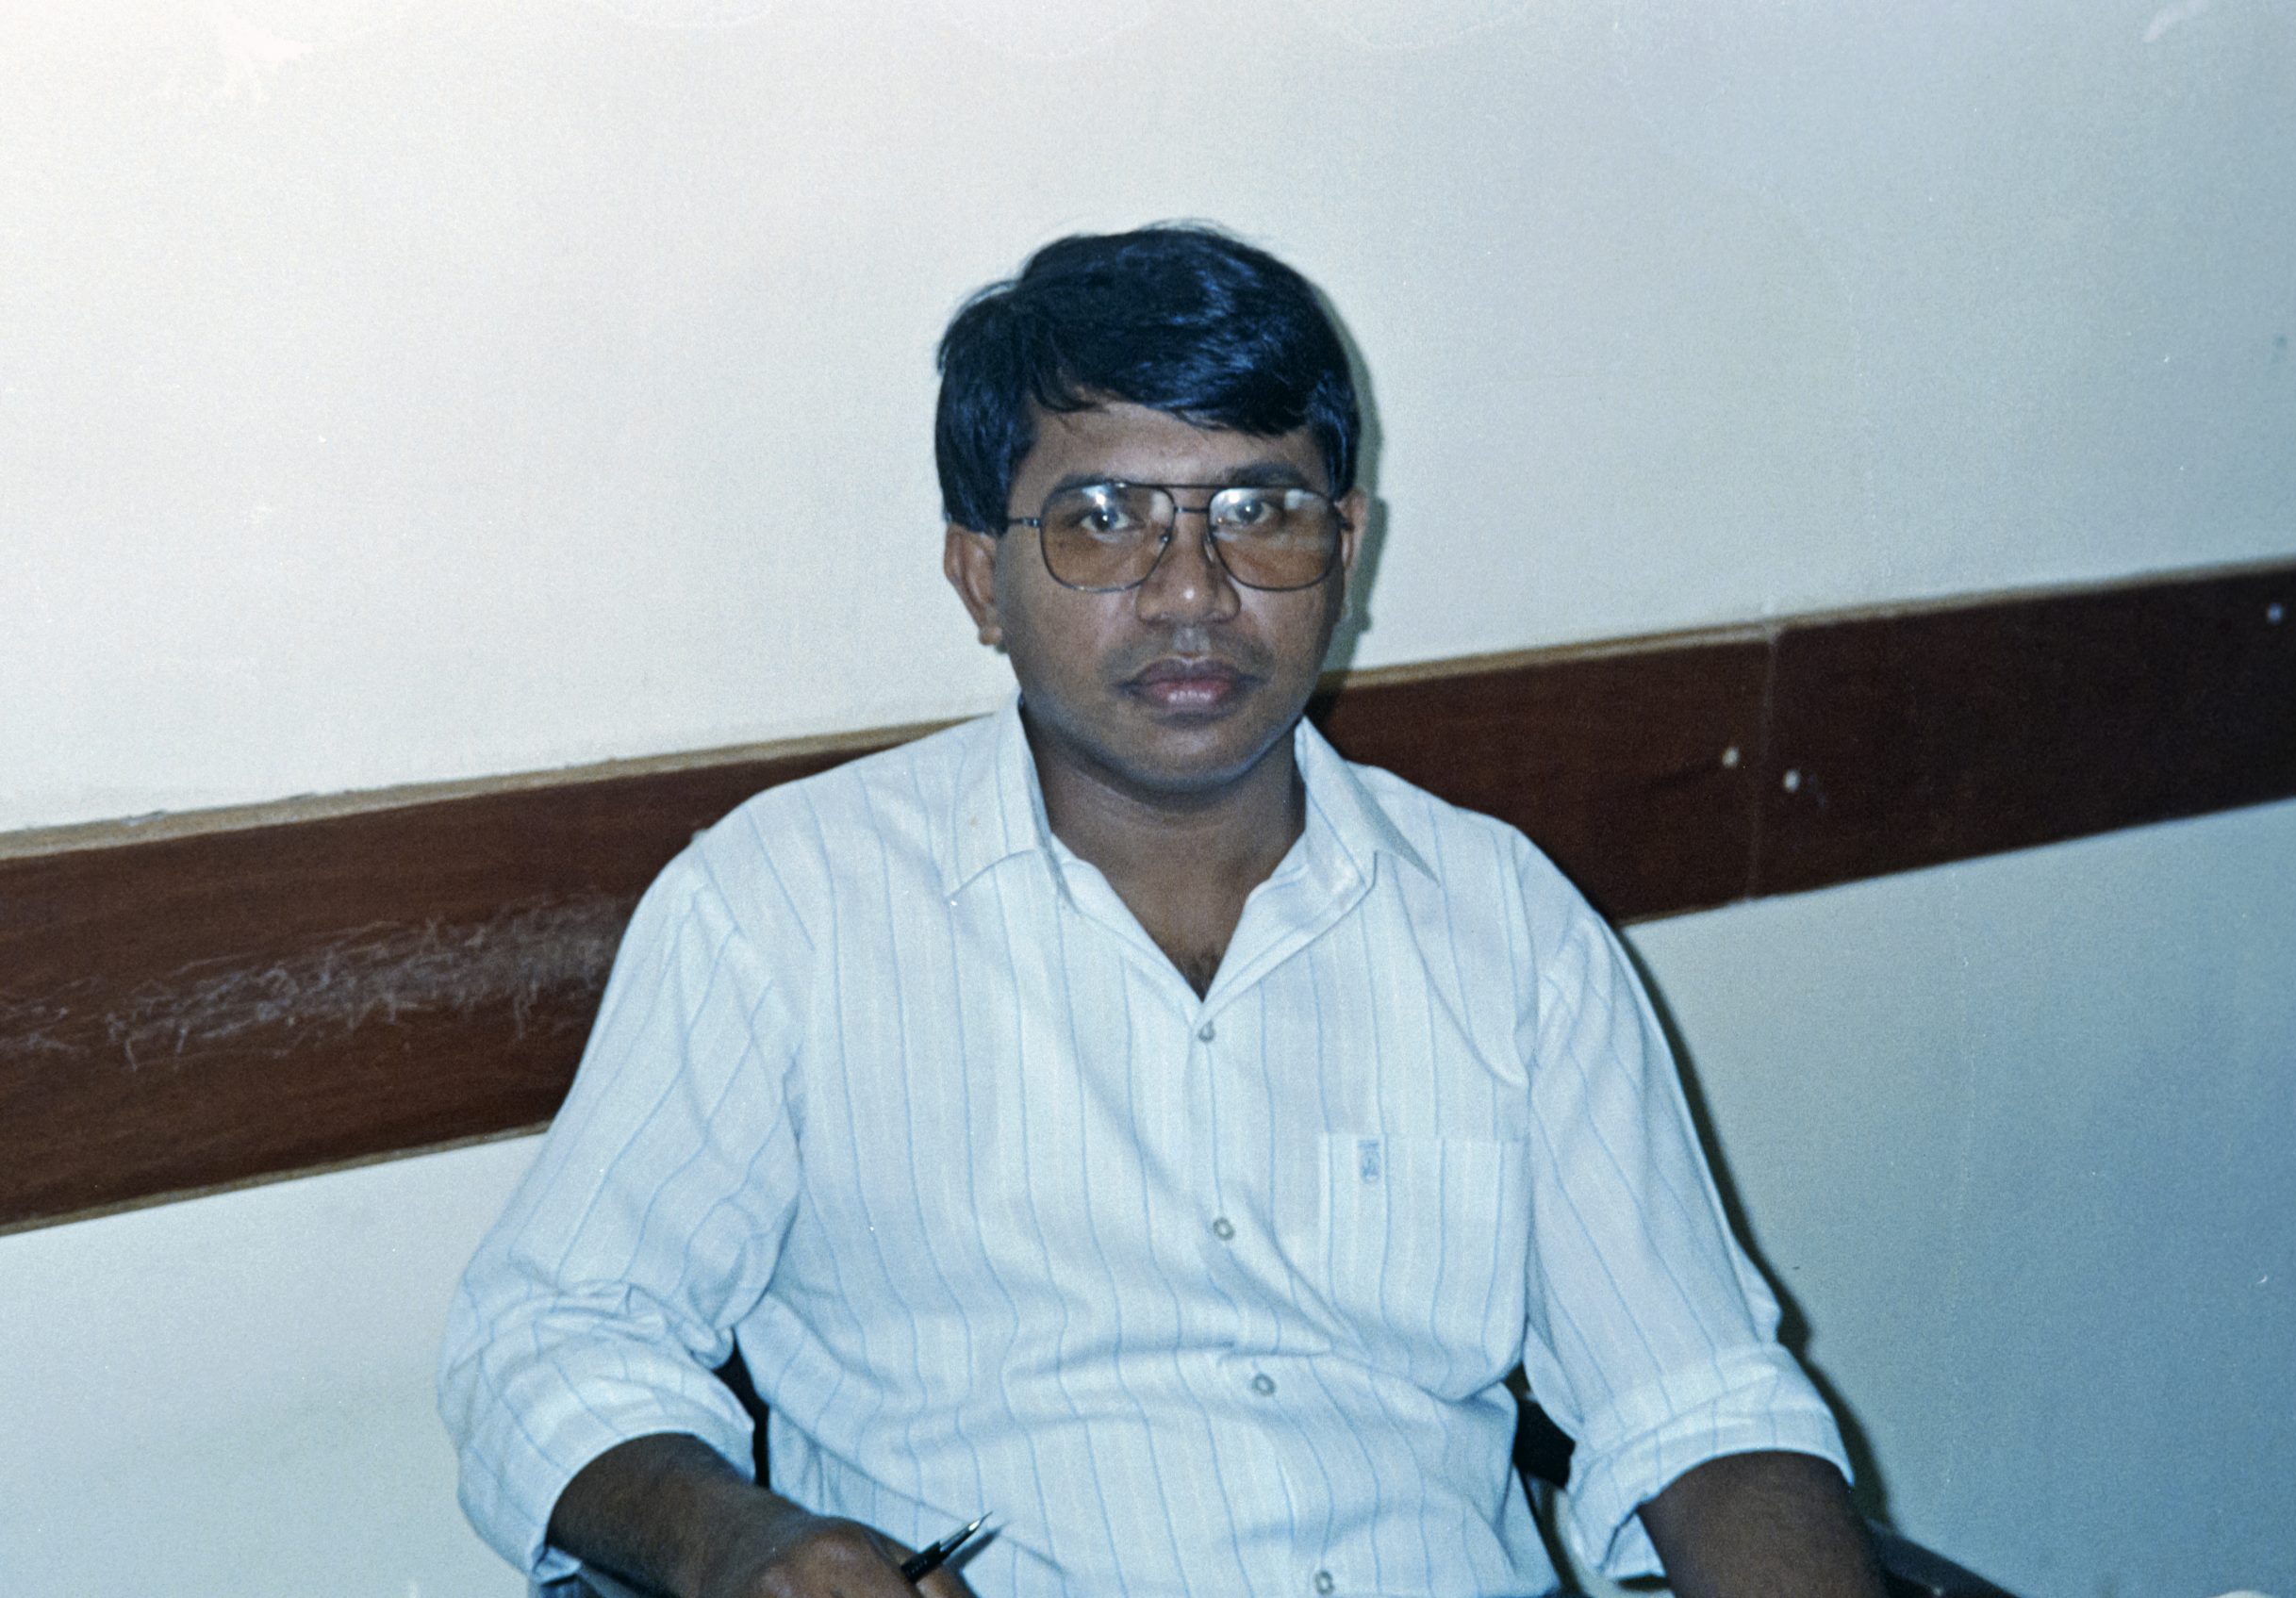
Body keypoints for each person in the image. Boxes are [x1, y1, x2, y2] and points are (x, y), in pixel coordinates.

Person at [439, 224, 1885, 1598]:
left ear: (1346, 548)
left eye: (1258, 513)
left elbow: (1702, 1409)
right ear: (980, 577)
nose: (1192, 593)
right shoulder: (782, 912)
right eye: (1103, 520)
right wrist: (735, 1541)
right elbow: (548, 1338)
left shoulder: (1503, 923)